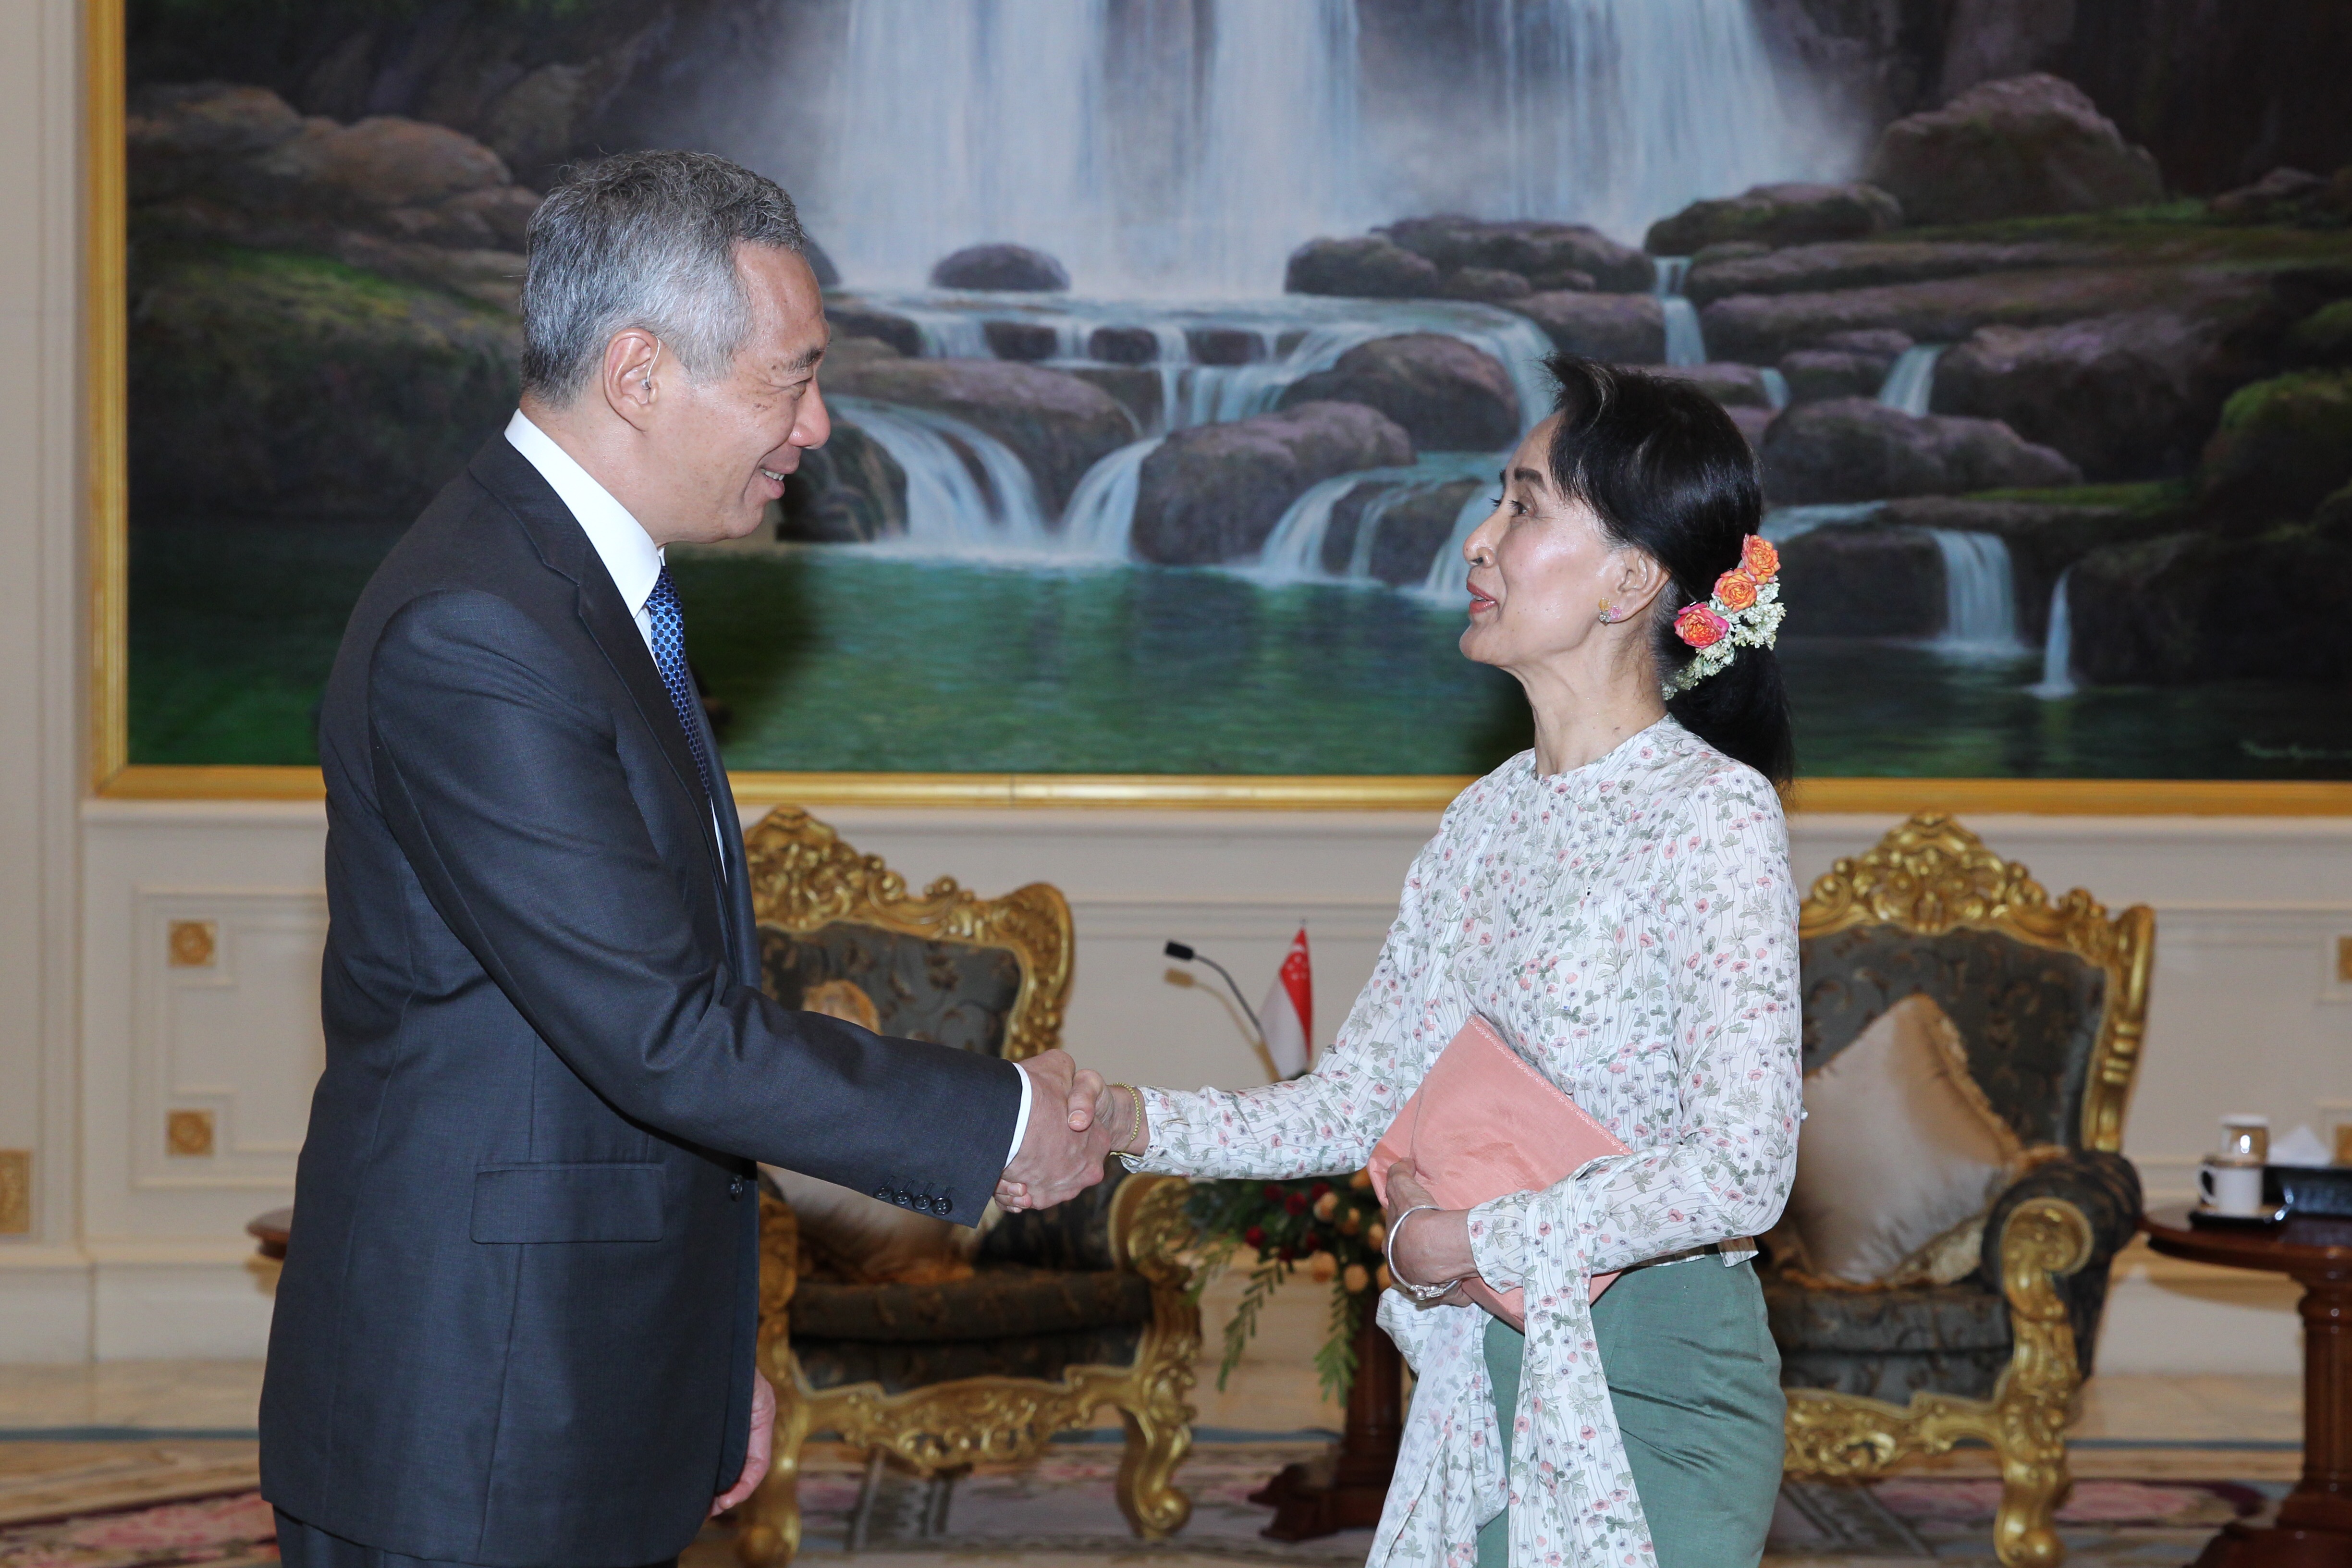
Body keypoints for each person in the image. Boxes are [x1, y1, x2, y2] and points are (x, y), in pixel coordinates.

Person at [260, 150, 1109, 1568]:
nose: (819, 427)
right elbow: (663, 1035)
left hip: (570, 1380)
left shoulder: (570, 591)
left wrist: (710, 1359)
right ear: (641, 373)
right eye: (790, 379)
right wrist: (1001, 1121)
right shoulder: (481, 631)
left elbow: (626, 1065)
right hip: (474, 1416)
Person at [1080, 357, 1804, 1567]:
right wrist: (1120, 1118)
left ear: (1632, 576)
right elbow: (1358, 1099)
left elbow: (1744, 1169)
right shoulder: (1484, 818)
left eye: (1524, 505)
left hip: (1658, 1375)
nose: (1479, 539)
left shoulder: (1714, 814)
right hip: (1490, 1369)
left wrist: (1474, 1244)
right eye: (1498, 499)